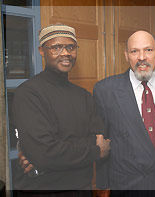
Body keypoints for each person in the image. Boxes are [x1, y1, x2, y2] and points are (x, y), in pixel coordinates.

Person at [12, 24, 110, 195]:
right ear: (42, 51)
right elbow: (45, 154)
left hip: (82, 189)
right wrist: (93, 151)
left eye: (70, 47)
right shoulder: (28, 93)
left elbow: (101, 139)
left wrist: (55, 149)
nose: (65, 53)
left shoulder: (84, 96)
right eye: (56, 47)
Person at [93, 30, 155, 196]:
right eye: (135, 51)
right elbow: (102, 142)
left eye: (148, 50)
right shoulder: (105, 90)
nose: (142, 57)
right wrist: (102, 185)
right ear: (126, 55)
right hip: (126, 187)